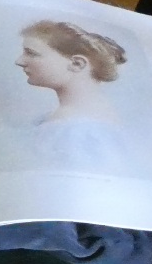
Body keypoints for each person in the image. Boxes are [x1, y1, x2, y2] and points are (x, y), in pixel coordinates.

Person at [15, 20, 144, 176]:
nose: (19, 61)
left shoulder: (81, 131)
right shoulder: (61, 120)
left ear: (77, 63)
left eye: (31, 53)